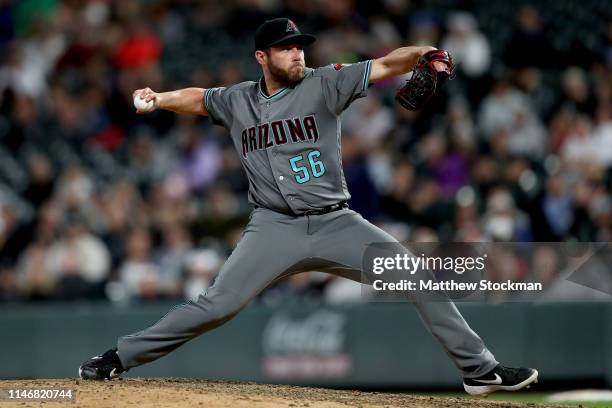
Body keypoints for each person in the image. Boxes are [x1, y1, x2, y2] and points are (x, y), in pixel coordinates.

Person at [79, 18, 538, 396]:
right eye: (286, 49)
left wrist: (423, 53)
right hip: (273, 227)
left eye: (300, 47)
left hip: (337, 222)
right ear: (262, 58)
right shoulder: (238, 99)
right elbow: (199, 97)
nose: (298, 54)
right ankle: (120, 357)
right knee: (215, 306)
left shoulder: (325, 83)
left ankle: (480, 371)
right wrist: (159, 99)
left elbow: (383, 64)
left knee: (416, 274)